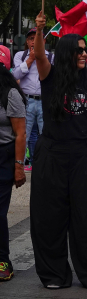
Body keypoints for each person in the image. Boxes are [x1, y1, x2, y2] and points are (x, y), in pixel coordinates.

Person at [30, 12, 87, 290]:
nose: (84, 54)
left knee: (86, 216)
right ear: (65, 53)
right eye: (78, 51)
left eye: (86, 50)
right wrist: (40, 30)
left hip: (84, 155)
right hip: (52, 155)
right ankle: (54, 275)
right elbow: (39, 56)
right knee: (50, 216)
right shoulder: (49, 77)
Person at [0, 51, 27, 282]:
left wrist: (19, 166)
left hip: (4, 157)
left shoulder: (10, 94)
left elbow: (20, 134)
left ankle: (3, 261)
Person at [12, 28, 53, 171]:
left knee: (46, 134)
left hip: (45, 101)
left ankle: (45, 165)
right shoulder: (20, 56)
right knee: (23, 134)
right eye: (31, 38)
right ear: (27, 42)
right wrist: (30, 59)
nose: (33, 41)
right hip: (26, 100)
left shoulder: (51, 57)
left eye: (37, 38)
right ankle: (20, 166)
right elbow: (15, 75)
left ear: (44, 41)